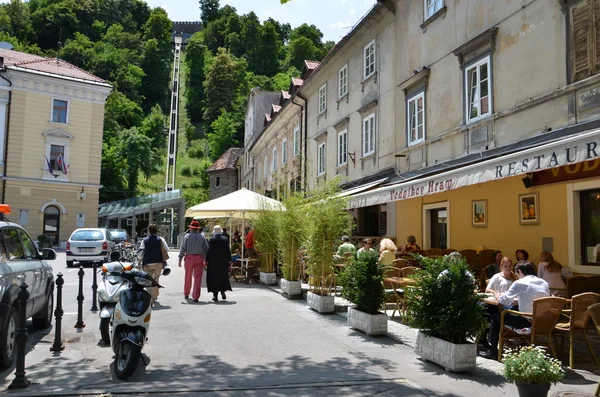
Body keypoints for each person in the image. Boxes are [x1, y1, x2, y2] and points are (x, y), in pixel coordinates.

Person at [480, 261, 550, 360]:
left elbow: (504, 300)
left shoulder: (519, 283)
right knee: (508, 310)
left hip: (526, 323)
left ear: (520, 271)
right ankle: (521, 344)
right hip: (542, 322)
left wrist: (498, 295)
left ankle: (493, 352)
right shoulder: (544, 283)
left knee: (495, 317)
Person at [178, 220, 209, 302]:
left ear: (191, 228)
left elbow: (183, 248)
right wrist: (206, 260)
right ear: (198, 229)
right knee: (198, 277)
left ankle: (186, 292)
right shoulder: (202, 237)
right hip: (199, 258)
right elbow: (206, 249)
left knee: (188, 276)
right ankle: (196, 296)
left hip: (189, 258)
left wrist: (180, 259)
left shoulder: (187, 236)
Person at [139, 224, 169, 306]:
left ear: (148, 231)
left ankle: (149, 298)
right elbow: (167, 249)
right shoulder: (160, 239)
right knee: (156, 279)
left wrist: (139, 260)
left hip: (147, 263)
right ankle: (155, 297)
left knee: (148, 280)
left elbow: (141, 252)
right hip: (158, 262)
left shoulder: (144, 240)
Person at [206, 225, 233, 302]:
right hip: (223, 262)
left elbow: (209, 251)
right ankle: (223, 292)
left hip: (213, 262)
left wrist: (206, 260)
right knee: (223, 277)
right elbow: (228, 251)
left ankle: (215, 295)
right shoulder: (225, 239)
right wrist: (229, 260)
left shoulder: (212, 240)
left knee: (214, 278)